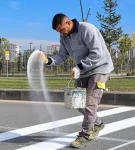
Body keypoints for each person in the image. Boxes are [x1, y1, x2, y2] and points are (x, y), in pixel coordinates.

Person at [46, 13, 114, 148]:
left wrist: (80, 66)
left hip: (100, 68)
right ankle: (97, 123)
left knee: (90, 102)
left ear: (68, 23)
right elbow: (62, 55)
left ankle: (85, 135)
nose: (60, 34)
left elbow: (97, 53)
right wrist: (48, 60)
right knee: (77, 102)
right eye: (58, 32)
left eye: (61, 30)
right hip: (82, 70)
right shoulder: (64, 38)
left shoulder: (87, 29)